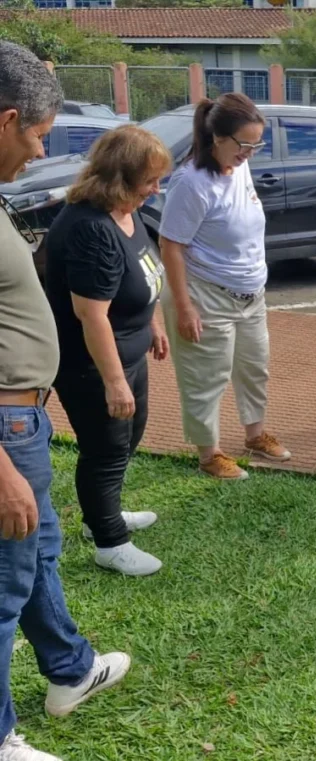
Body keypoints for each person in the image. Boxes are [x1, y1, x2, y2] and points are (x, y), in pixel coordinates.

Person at [0, 41, 130, 761]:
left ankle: (70, 670)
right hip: (4, 425)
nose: (40, 151)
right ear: (10, 117)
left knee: (40, 548)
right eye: (40, 136)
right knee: (4, 580)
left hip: (22, 417)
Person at [44, 125, 172, 578]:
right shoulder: (90, 228)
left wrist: (152, 323)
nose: (156, 190)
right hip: (92, 365)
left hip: (129, 351)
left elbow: (139, 278)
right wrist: (114, 382)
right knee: (105, 448)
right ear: (120, 178)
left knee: (128, 437)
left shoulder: (126, 211)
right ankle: (108, 542)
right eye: (149, 181)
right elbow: (91, 315)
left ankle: (106, 512)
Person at [159, 93, 290, 481]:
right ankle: (208, 453)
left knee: (254, 367)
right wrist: (184, 307)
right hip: (205, 294)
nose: (250, 152)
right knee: (206, 377)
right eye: (244, 144)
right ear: (217, 137)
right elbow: (170, 245)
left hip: (251, 295)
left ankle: (254, 435)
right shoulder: (192, 183)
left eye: (256, 144)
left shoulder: (238, 167)